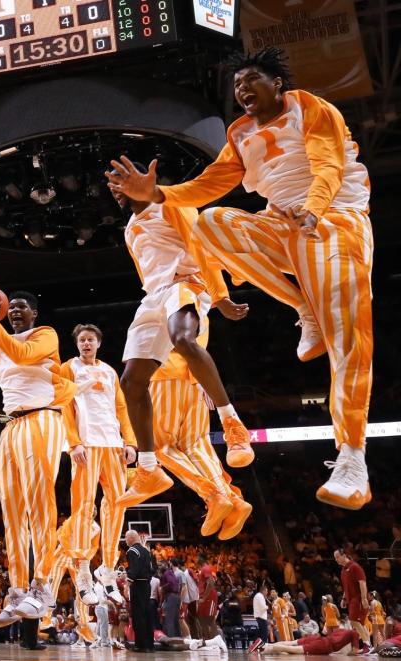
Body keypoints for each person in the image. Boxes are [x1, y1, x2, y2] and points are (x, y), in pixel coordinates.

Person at [107, 47, 374, 510]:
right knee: (213, 222)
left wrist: (313, 208)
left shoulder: (310, 107)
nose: (241, 90)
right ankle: (300, 306)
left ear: (277, 83)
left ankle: (352, 457)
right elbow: (211, 184)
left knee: (346, 337)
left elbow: (328, 163)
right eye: (235, 86)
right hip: (281, 227)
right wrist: (160, 192)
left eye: (250, 81)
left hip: (334, 219)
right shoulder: (239, 132)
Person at [107, 176, 253, 509]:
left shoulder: (171, 204)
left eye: (120, 182)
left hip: (186, 284)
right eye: (111, 188)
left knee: (184, 340)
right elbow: (146, 274)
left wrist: (219, 297)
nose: (115, 191)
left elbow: (201, 245)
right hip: (154, 296)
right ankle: (148, 469)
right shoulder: (130, 229)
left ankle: (233, 425)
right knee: (131, 381)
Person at [0, 291, 72, 647]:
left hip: (43, 419)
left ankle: (43, 587)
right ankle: (18, 589)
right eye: (13, 309)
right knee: (12, 513)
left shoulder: (45, 335)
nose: (16, 313)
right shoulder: (2, 342)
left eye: (21, 307)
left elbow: (21, 353)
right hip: (11, 427)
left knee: (40, 504)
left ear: (33, 312)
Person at [47, 323, 136, 643]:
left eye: (91, 339)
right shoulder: (68, 367)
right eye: (82, 340)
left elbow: (122, 408)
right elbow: (64, 407)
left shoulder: (110, 371)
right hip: (85, 444)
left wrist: (130, 441)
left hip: (113, 444)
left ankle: (108, 567)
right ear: (78, 344)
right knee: (83, 507)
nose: (86, 343)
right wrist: (73, 442)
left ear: (98, 343)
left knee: (118, 501)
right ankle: (84, 565)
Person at [125, 343, 253, 541]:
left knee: (159, 445)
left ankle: (212, 495)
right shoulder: (199, 312)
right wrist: (207, 383)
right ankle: (232, 499)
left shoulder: (160, 312)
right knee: (197, 444)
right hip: (198, 377)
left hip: (166, 374)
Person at [125, 530, 155, 652]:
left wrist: (127, 586)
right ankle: (149, 644)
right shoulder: (146, 551)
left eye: (126, 537)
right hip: (147, 585)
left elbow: (134, 570)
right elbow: (153, 569)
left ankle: (140, 645)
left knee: (138, 615)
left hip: (137, 585)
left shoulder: (132, 551)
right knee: (147, 614)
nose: (125, 540)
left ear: (132, 538)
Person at [335, 549, 371, 643]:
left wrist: (363, 599)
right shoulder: (343, 571)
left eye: (337, 557)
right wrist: (343, 598)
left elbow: (362, 583)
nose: (336, 559)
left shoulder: (355, 567)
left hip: (358, 598)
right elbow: (346, 587)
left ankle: (367, 644)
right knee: (360, 624)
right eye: (335, 558)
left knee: (353, 621)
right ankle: (369, 646)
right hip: (350, 600)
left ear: (344, 555)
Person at [262, 627, 362, 655]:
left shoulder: (343, 629)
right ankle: (265, 649)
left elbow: (328, 632)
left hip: (320, 639)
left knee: (291, 643)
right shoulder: (355, 633)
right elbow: (354, 651)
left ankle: (266, 645)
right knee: (293, 650)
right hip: (324, 646)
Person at [250, 583, 271, 651]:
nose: (267, 592)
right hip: (261, 617)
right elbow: (263, 607)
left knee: (261, 632)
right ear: (263, 590)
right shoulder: (260, 596)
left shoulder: (258, 596)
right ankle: (263, 647)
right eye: (267, 591)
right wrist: (268, 607)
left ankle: (255, 644)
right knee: (264, 633)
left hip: (259, 616)